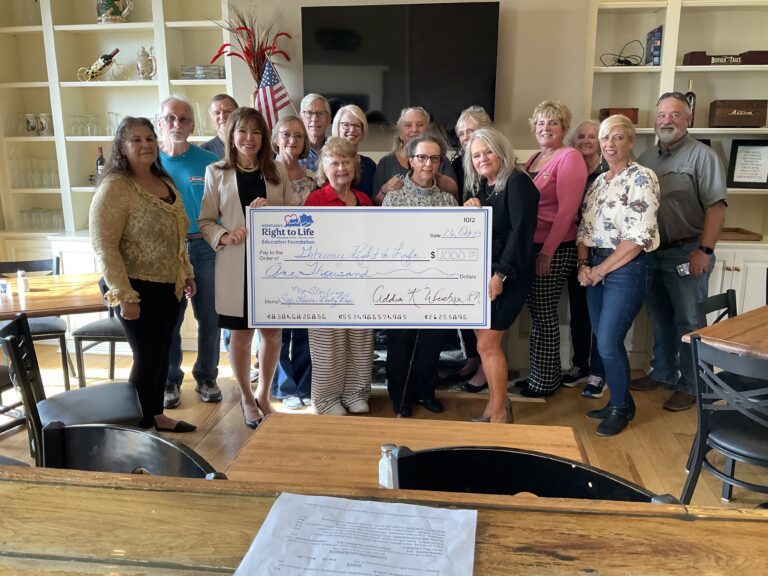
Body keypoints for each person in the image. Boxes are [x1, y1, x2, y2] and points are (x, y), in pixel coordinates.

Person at [89, 116, 196, 433]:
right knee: (146, 357)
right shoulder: (114, 188)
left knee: (163, 352)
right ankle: (134, 428)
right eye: (136, 140)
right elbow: (104, 246)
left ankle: (156, 415)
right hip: (135, 287)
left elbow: (179, 232)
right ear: (122, 147)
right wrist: (124, 296)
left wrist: (186, 272)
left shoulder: (163, 180)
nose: (145, 145)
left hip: (170, 286)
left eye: (150, 138)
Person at [198, 107, 295, 428]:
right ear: (231, 135)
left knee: (272, 332)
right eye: (242, 131)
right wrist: (224, 235)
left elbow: (293, 218)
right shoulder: (216, 172)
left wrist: (272, 211)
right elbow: (206, 220)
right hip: (235, 264)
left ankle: (264, 394)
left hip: (272, 267)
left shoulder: (278, 171)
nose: (249, 138)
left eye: (256, 132)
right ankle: (245, 396)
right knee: (240, 335)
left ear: (264, 138)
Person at [633, 92, 728, 412]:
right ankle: (663, 373)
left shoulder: (703, 156)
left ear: (688, 119)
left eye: (675, 115)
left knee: (690, 322)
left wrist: (705, 250)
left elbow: (716, 207)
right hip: (652, 252)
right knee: (659, 318)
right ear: (654, 120)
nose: (667, 120)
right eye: (661, 115)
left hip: (687, 251)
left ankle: (692, 385)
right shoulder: (645, 159)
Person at [577, 115, 660, 436]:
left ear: (631, 141)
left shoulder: (642, 178)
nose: (609, 144)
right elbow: (584, 228)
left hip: (626, 267)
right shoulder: (598, 182)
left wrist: (599, 270)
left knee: (610, 339)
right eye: (604, 138)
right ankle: (619, 400)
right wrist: (584, 264)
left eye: (617, 137)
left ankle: (621, 406)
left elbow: (639, 237)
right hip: (595, 265)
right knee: (603, 339)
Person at [463, 127, 539, 423]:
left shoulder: (518, 182)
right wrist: (471, 208)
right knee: (483, 341)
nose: (482, 159)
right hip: (483, 275)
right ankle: (495, 404)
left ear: (501, 151)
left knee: (487, 344)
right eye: (476, 155)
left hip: (509, 274)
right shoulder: (482, 188)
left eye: (487, 152)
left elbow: (521, 235)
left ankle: (498, 413)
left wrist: (500, 275)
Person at [382, 133, 457, 417]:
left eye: (434, 158)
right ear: (410, 160)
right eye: (421, 157)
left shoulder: (448, 201)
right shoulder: (395, 198)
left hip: (436, 285)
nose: (428, 163)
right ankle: (400, 397)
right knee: (400, 343)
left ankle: (426, 391)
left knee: (430, 344)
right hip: (401, 284)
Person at [518, 100, 587, 397]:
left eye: (553, 123)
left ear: (564, 128)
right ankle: (539, 373)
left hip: (555, 250)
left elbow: (567, 212)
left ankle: (545, 382)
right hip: (531, 246)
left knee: (545, 316)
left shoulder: (569, 157)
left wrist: (547, 252)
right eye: (541, 123)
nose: (545, 128)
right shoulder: (534, 158)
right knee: (537, 314)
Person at [157, 95, 221, 409]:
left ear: (193, 125)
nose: (177, 124)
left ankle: (207, 376)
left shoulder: (208, 161)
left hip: (204, 246)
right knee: (171, 318)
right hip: (166, 248)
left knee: (209, 317)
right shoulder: (150, 163)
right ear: (160, 123)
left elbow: (221, 205)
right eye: (170, 118)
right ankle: (170, 380)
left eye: (183, 119)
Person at [304, 137, 374, 415]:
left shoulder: (365, 201)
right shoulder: (316, 199)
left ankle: (356, 392)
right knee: (328, 344)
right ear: (324, 167)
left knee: (360, 340)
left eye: (346, 162)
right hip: (326, 286)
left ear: (354, 166)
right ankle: (326, 399)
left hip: (360, 285)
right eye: (334, 162)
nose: (341, 168)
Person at [270, 115, 315, 410]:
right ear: (275, 137)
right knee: (277, 331)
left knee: (304, 330)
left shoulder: (313, 179)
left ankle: (304, 384)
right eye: (287, 134)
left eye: (299, 136)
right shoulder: (264, 175)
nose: (292, 140)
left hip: (309, 262)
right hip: (274, 263)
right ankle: (284, 387)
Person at [563, 119, 607, 397]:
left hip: (605, 252)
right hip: (576, 248)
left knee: (601, 316)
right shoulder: (571, 169)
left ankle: (598, 373)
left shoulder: (608, 170)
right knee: (580, 312)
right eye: (581, 137)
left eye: (593, 136)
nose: (587, 141)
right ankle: (580, 364)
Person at [449, 106, 492, 393]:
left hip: (488, 249)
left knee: (486, 316)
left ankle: (486, 370)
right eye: (461, 133)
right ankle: (474, 359)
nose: (466, 137)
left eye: (471, 131)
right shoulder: (456, 163)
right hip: (462, 246)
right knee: (466, 310)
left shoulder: (493, 162)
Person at [372, 106, 458, 205]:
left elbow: (455, 203)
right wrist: (384, 189)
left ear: (428, 130)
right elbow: (375, 205)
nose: (414, 129)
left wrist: (454, 189)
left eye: (420, 125)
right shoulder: (386, 162)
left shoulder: (443, 161)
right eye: (408, 125)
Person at [331, 104, 376, 198]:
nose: (352, 130)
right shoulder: (327, 161)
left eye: (357, 125)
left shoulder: (369, 165)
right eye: (346, 125)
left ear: (363, 129)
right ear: (338, 127)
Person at [298, 93, 331, 172]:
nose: (314, 119)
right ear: (301, 118)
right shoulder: (291, 149)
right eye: (309, 113)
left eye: (320, 113)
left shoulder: (336, 150)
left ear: (329, 119)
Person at [201, 94, 238, 158]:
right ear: (211, 119)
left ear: (238, 114)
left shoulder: (249, 145)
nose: (222, 117)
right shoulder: (204, 151)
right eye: (217, 113)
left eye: (227, 111)